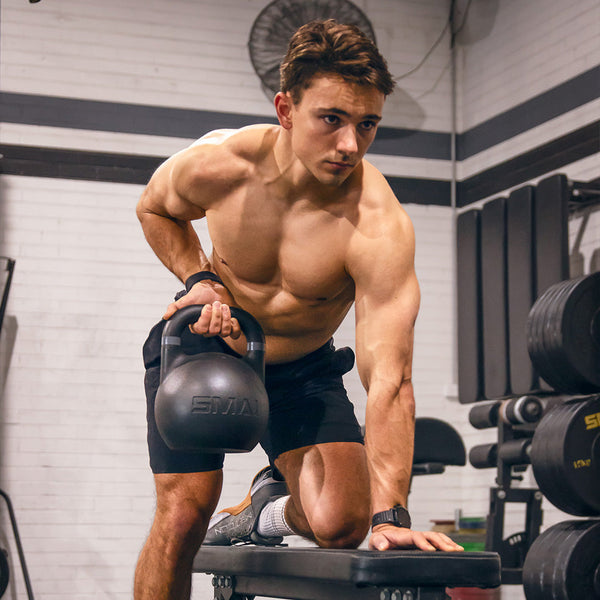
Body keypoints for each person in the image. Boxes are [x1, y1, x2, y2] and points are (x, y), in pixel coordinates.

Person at [133, 19, 462, 600]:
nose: (350, 145)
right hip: (213, 343)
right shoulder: (222, 165)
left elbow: (389, 378)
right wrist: (201, 278)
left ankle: (268, 508)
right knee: (185, 514)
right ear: (286, 109)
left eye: (367, 125)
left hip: (303, 365)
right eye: (331, 119)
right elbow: (155, 209)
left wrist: (392, 516)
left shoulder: (378, 224)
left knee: (343, 524)